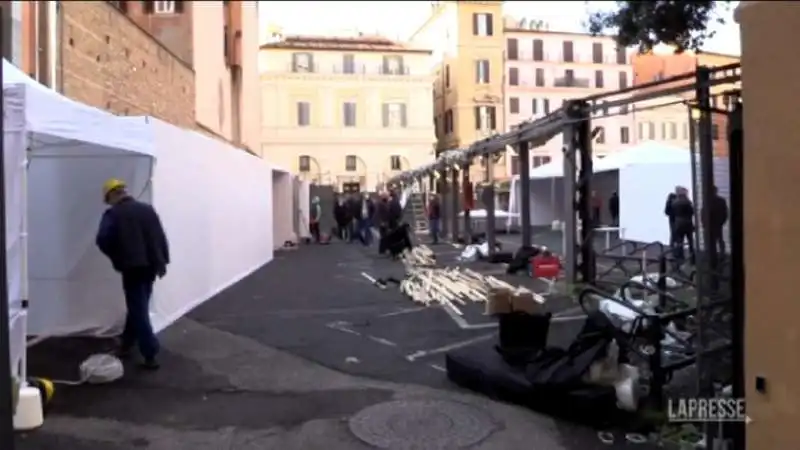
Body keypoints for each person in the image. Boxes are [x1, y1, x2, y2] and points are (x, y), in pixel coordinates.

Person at [95, 178, 169, 370]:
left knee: (139, 309)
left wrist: (118, 258)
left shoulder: (113, 214)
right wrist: (162, 261)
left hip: (133, 268)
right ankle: (127, 343)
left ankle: (150, 352)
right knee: (139, 304)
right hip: (151, 266)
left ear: (111, 195)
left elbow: (103, 239)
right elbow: (160, 236)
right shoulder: (147, 209)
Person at [670, 186, 695, 264]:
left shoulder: (674, 203)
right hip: (688, 223)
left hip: (679, 223)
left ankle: (680, 258)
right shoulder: (688, 202)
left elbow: (672, 212)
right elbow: (692, 212)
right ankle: (692, 258)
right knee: (690, 241)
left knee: (680, 241)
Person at [704, 185, 729, 257]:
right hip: (718, 223)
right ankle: (722, 254)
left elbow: (703, 212)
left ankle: (712, 255)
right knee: (719, 239)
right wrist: (722, 221)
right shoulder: (721, 201)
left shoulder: (707, 201)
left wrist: (704, 223)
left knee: (712, 240)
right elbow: (725, 212)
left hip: (711, 224)